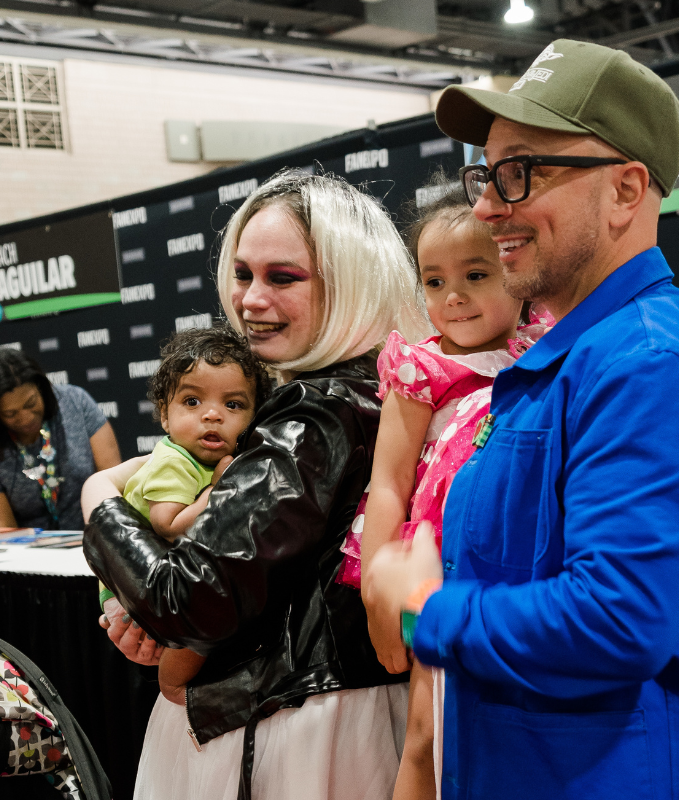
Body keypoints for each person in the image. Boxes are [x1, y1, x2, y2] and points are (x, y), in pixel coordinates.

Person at [365, 39, 679, 799]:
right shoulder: (575, 358)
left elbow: (617, 619)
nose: (485, 205)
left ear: (625, 190)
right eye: (486, 173)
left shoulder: (644, 359)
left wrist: (425, 612)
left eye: (521, 173)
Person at [82, 169, 430, 800]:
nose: (249, 300)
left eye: (283, 277)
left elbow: (192, 599)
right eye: (243, 274)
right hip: (318, 713)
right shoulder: (383, 389)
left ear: (349, 282)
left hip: (287, 724)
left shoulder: (318, 411)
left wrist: (100, 502)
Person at [336, 176, 550, 799]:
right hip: (436, 576)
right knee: (428, 731)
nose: (452, 296)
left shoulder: (544, 351)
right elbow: (386, 484)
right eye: (434, 281)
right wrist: (379, 597)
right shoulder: (420, 367)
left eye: (476, 276)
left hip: (515, 577)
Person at [114, 325, 270, 703]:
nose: (212, 415)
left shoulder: (219, 459)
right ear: (165, 417)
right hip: (132, 584)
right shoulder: (173, 461)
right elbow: (167, 526)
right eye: (192, 402)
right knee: (205, 616)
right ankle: (173, 687)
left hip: (166, 575)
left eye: (233, 405)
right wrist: (217, 491)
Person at [0, 347, 121, 530]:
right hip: (28, 550)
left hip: (97, 539)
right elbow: (3, 531)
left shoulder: (76, 403)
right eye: (10, 414)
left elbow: (113, 488)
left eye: (31, 403)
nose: (26, 418)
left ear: (41, 388)